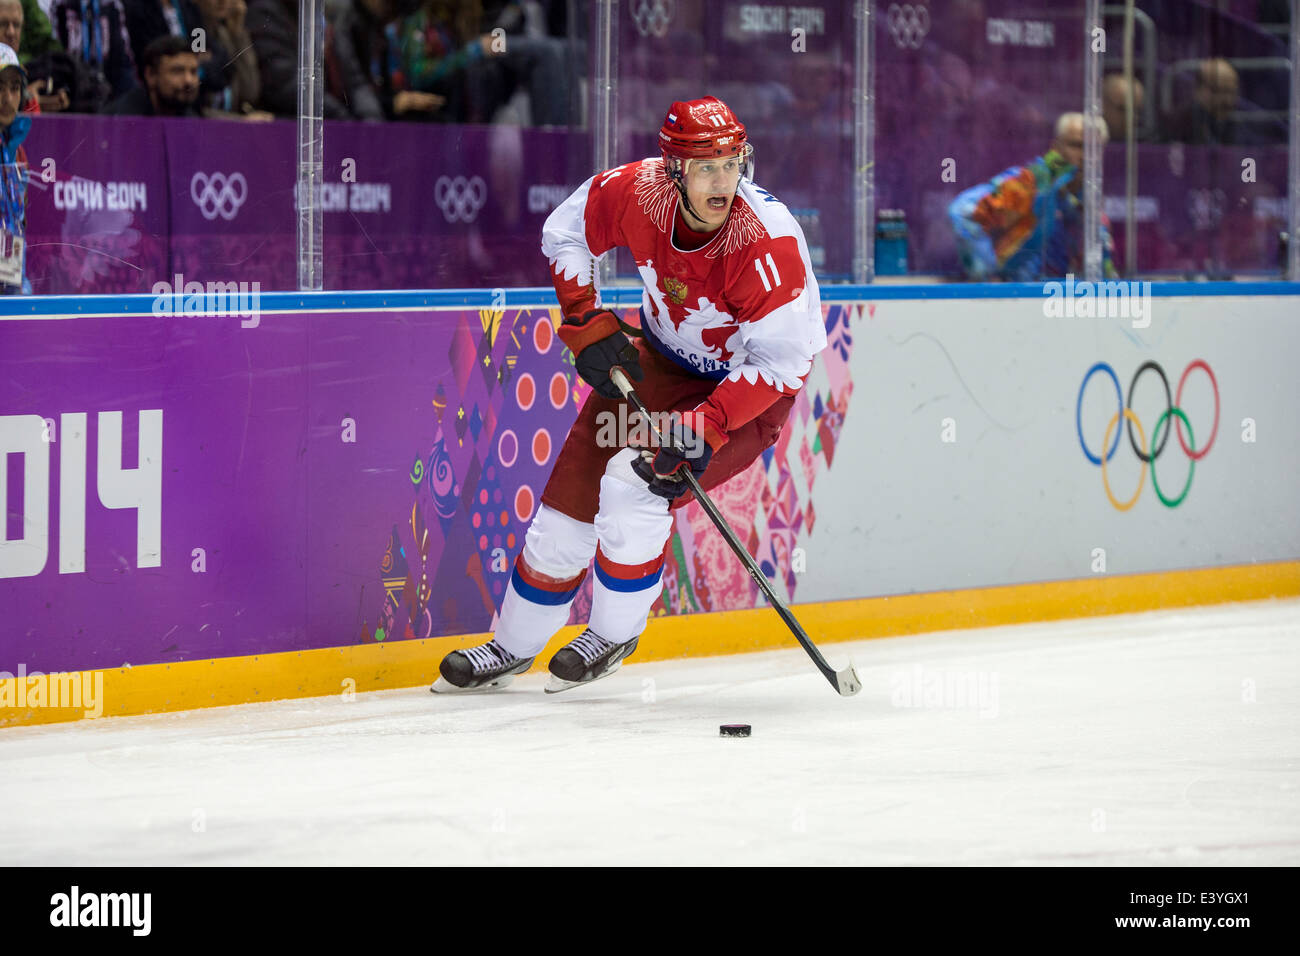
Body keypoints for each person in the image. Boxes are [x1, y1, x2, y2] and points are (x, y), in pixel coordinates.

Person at [433, 96, 826, 693]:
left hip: (745, 391)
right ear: (673, 170)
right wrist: (584, 316)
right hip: (658, 366)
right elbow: (565, 231)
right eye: (705, 167)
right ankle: (510, 648)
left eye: (731, 163)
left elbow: (785, 362)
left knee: (635, 485)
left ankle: (612, 634)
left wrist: (709, 424)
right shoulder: (636, 192)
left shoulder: (768, 244)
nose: (723, 181)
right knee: (567, 507)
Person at [949, 112, 1117, 281]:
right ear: (1055, 147)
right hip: (1013, 298)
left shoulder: (1088, 200)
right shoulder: (1034, 182)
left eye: (1094, 149)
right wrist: (987, 277)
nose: (1086, 156)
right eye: (1076, 145)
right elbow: (962, 210)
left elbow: (1103, 268)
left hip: (1057, 300)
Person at [103, 33, 199, 114]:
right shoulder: (119, 120)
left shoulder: (195, 122)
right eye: (177, 71)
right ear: (151, 75)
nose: (188, 80)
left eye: (193, 72)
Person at [0, 42, 31, 294]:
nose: (7, 98)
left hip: (10, 285)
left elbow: (18, 223)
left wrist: (18, 285)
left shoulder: (18, 153)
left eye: (14, 88)